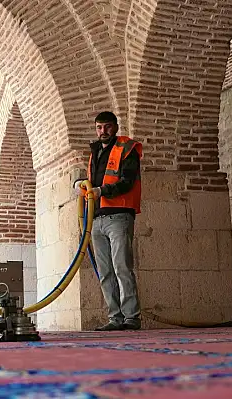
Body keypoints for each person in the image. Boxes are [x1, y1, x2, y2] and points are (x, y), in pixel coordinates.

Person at [81, 111, 143, 331]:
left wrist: (101, 191)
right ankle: (114, 318)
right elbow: (94, 180)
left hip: (119, 215)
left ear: (116, 127)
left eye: (107, 127)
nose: (102, 131)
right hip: (96, 217)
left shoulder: (127, 149)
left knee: (122, 267)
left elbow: (127, 182)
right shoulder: (95, 151)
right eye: (99, 127)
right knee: (105, 270)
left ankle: (131, 318)